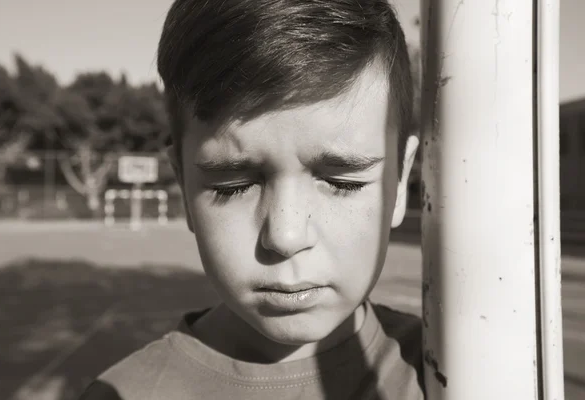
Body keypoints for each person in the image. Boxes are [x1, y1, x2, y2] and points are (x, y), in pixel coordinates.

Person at [79, 0, 424, 398]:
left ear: (399, 181)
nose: (286, 235)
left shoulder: (468, 370)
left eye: (342, 182)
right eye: (232, 186)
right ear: (184, 185)